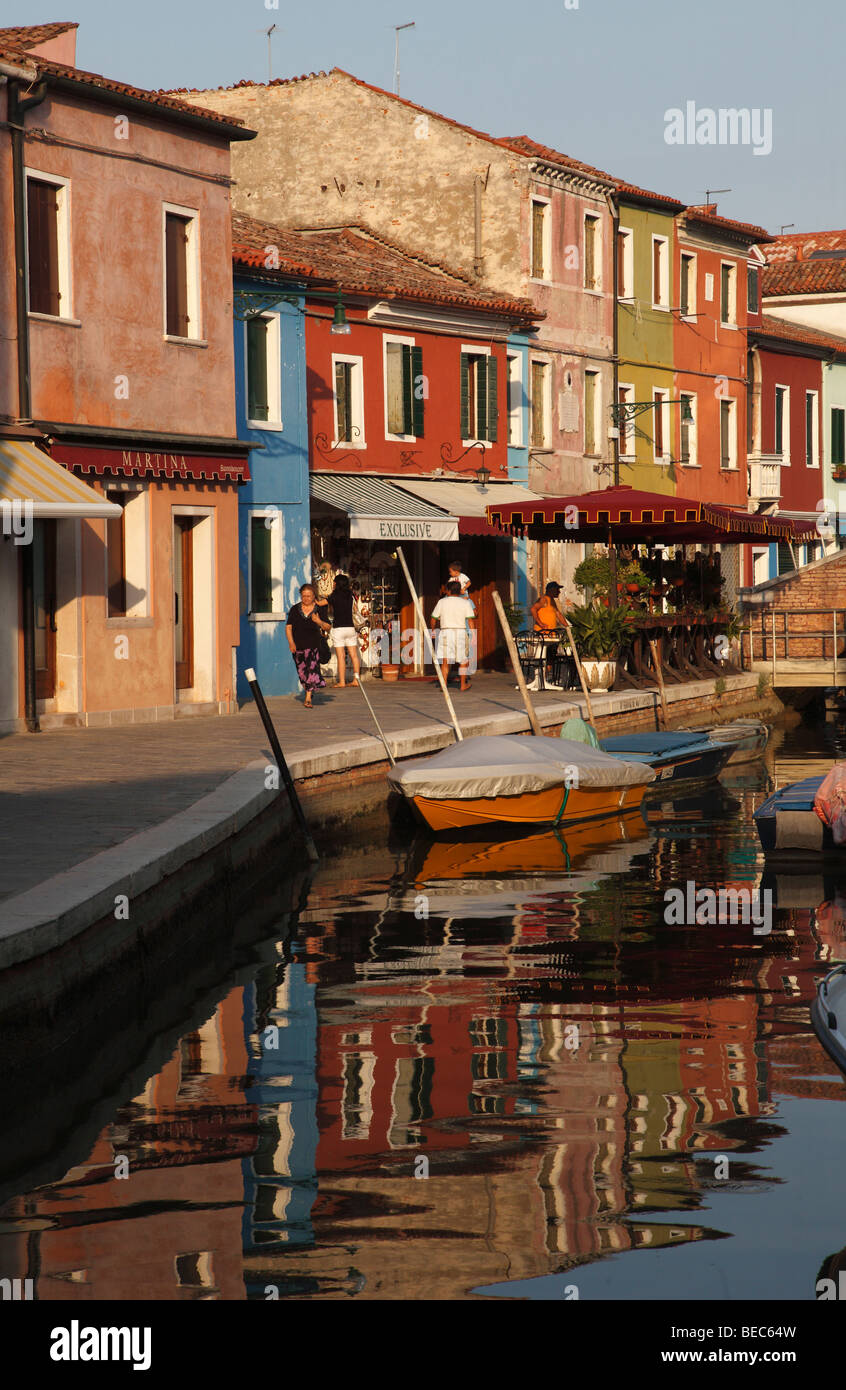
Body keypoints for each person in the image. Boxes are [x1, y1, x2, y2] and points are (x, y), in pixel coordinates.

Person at [286, 583, 331, 708]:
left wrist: (319, 621)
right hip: (298, 645)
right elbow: (288, 627)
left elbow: (328, 627)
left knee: (312, 670)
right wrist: (291, 642)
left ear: (313, 596)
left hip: (314, 645)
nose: (306, 598)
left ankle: (307, 698)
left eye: (309, 596)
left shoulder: (320, 609)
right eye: (303, 596)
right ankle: (309, 691)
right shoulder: (295, 609)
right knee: (302, 672)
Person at [430, 580, 475, 692]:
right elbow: (470, 621)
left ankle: (444, 684)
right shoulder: (466, 603)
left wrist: (433, 630)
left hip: (446, 632)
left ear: (448, 591)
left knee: (445, 661)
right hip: (460, 632)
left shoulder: (442, 602)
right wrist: (473, 635)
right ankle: (463, 684)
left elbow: (433, 618)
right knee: (463, 660)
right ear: (460, 591)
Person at [328, 573, 361, 688]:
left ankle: (342, 682)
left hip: (338, 629)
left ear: (337, 584)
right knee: (354, 655)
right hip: (350, 628)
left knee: (341, 657)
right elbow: (356, 609)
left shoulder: (333, 596)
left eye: (334, 582)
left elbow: (322, 603)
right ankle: (356, 680)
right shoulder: (350, 595)